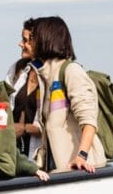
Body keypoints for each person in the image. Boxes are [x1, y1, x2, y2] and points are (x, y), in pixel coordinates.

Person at [26, 16, 106, 173]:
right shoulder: (45, 76)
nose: (28, 43)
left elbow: (89, 120)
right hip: (57, 168)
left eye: (33, 38)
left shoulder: (71, 71)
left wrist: (81, 156)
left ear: (45, 39)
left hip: (79, 168)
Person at [6, 18, 43, 161]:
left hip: (42, 155)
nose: (20, 44)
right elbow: (4, 103)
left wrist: (24, 128)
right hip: (14, 152)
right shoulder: (17, 69)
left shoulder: (52, 74)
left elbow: (55, 124)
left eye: (25, 40)